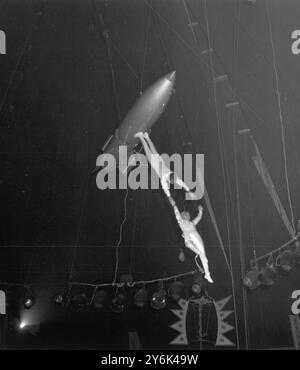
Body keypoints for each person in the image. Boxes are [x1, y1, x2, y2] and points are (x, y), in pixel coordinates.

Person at [134, 131, 196, 199]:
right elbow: (166, 190)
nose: (170, 182)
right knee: (147, 150)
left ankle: (147, 136)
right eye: (170, 181)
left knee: (153, 150)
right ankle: (141, 136)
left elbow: (182, 184)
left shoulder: (172, 175)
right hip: (155, 163)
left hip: (161, 161)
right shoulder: (163, 179)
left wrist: (190, 192)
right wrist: (170, 197)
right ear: (169, 179)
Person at [169, 197, 213, 283]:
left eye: (189, 215)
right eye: (187, 214)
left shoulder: (192, 223)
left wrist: (200, 210)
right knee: (201, 254)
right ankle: (205, 271)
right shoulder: (181, 221)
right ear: (184, 215)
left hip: (196, 237)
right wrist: (174, 205)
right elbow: (177, 213)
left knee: (204, 257)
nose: (189, 216)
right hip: (190, 238)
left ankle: (207, 274)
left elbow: (199, 217)